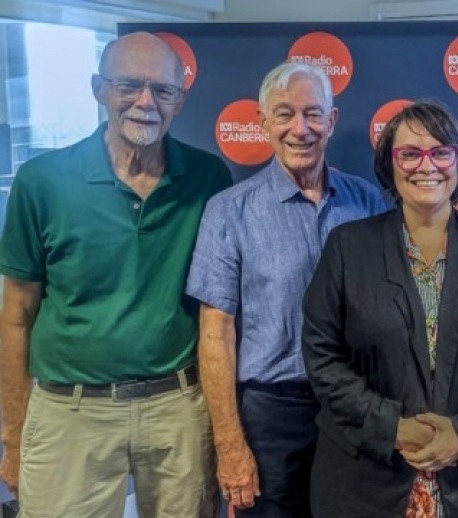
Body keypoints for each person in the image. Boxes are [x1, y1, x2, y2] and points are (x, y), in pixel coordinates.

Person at [0, 31, 232, 517]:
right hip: (69, 412)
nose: (145, 102)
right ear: (98, 88)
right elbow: (15, 316)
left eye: (162, 90)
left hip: (178, 412)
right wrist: (14, 436)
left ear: (180, 99)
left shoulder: (209, 179)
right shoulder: (40, 182)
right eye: (129, 85)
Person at [301, 99, 458, 517]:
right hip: (366, 479)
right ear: (389, 165)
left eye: (440, 152)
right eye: (410, 154)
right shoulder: (348, 247)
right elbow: (322, 355)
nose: (426, 165)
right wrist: (391, 427)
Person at [186, 61, 387, 517]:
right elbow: (215, 334)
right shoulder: (228, 212)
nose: (300, 129)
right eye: (283, 114)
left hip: (357, 409)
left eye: (313, 114)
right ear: (263, 124)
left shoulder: (368, 202)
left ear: (331, 122)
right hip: (270, 418)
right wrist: (230, 445)